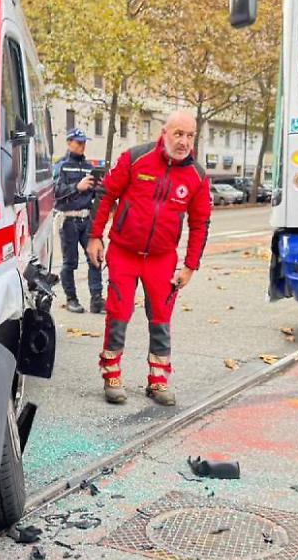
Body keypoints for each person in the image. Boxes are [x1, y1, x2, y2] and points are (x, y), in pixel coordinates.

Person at [87, 111, 211, 406]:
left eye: (190, 136)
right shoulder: (135, 158)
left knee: (161, 318)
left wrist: (190, 266)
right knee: (119, 312)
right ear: (164, 132)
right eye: (178, 134)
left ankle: (158, 380)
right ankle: (112, 373)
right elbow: (106, 195)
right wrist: (95, 236)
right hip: (124, 252)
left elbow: (200, 222)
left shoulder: (197, 176)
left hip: (162, 259)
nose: (184, 142)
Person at [53, 127, 105, 314]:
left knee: (95, 258)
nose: (82, 146)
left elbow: (93, 194)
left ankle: (97, 299)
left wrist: (99, 188)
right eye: (78, 142)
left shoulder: (89, 166)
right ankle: (71, 299)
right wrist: (77, 186)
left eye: (84, 142)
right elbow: (54, 193)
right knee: (70, 262)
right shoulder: (61, 166)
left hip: (87, 218)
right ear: (69, 142)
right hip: (68, 220)